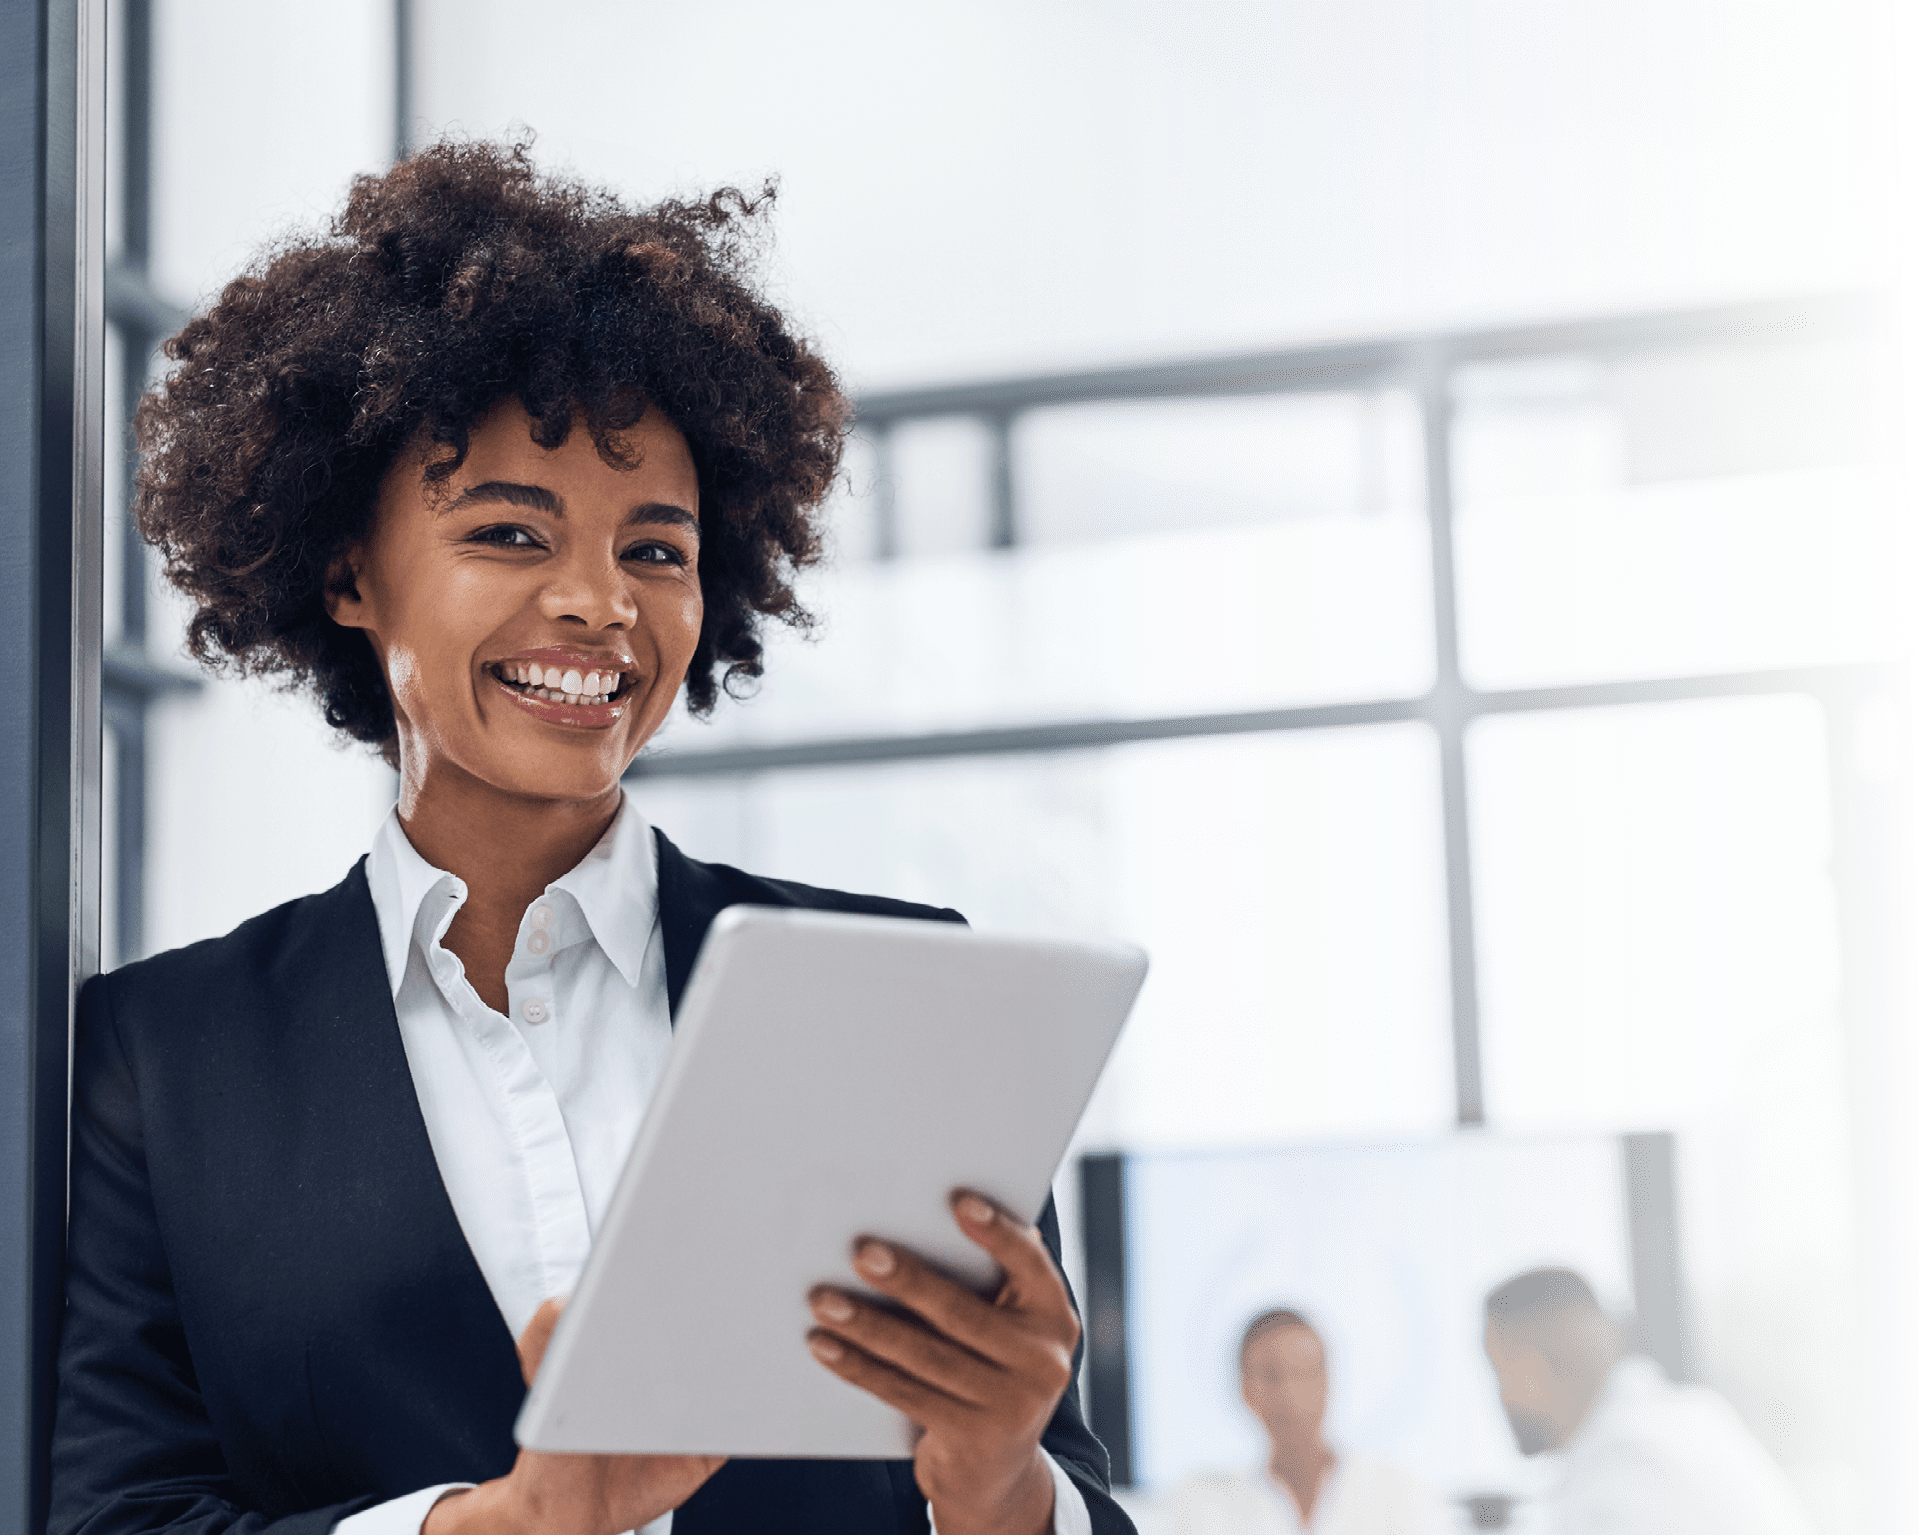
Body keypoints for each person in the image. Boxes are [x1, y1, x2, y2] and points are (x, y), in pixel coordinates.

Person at [50, 141, 1130, 1535]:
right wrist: (495, 1525)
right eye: (509, 530)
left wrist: (1003, 1483)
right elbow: (113, 1514)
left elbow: (1068, 1495)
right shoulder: (162, 1057)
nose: (599, 604)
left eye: (656, 549)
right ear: (345, 569)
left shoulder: (899, 997)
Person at [1481, 1269, 1814, 1535]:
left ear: (1532, 1370)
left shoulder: (1627, 1471)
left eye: (1498, 1371)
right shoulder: (1694, 1416)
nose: (1499, 1396)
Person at [1165, 1309, 1446, 1535]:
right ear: (1245, 1388)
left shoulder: (1399, 1492)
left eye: (1306, 1374)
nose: (1290, 1394)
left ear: (1328, 1382)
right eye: (1272, 1375)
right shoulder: (1204, 1502)